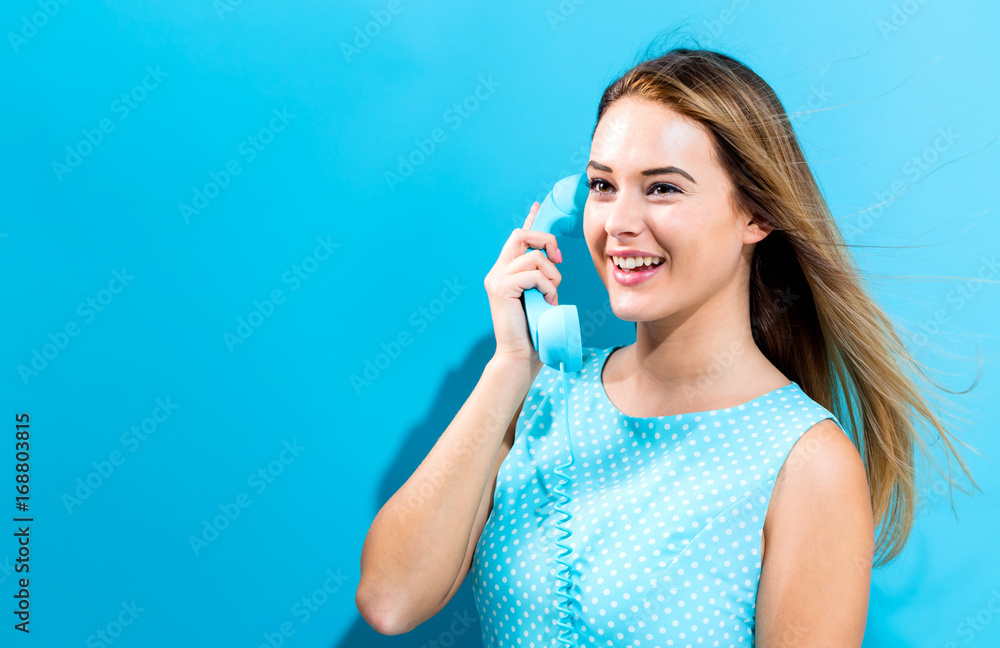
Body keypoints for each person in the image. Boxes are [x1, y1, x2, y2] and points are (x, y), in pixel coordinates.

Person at [355, 47, 980, 646]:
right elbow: (391, 600)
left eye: (662, 189)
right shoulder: (539, 397)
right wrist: (512, 364)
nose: (620, 223)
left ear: (755, 214)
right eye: (603, 186)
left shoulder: (805, 462)